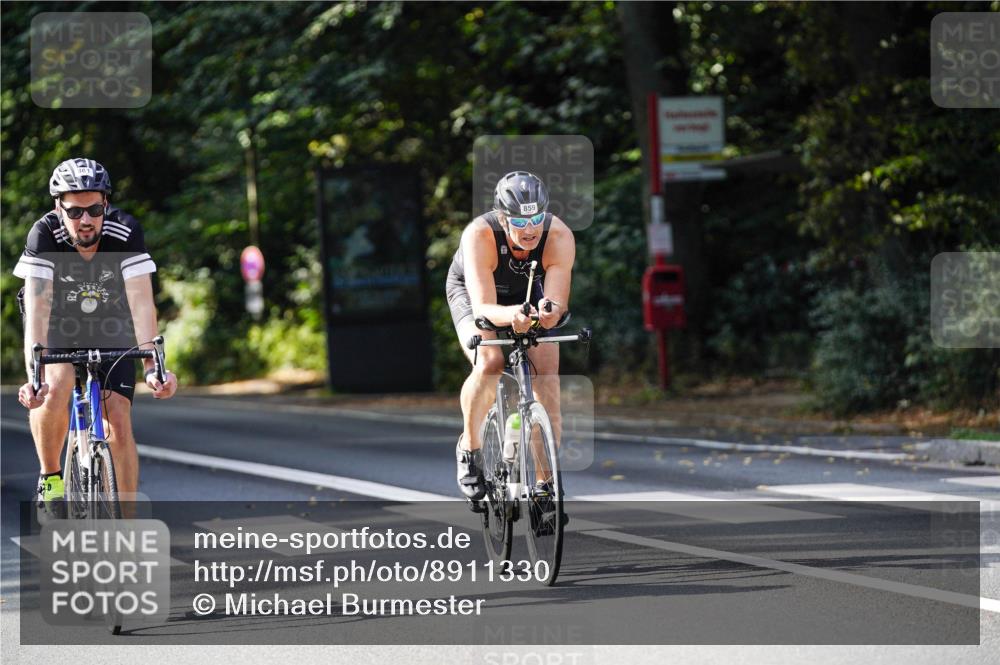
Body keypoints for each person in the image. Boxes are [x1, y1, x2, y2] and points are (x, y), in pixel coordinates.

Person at [14, 158, 178, 516]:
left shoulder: (125, 231)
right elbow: (38, 310)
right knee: (55, 387)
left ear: (105, 203)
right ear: (59, 208)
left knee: (117, 416)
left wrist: (154, 365)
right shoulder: (44, 234)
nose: (85, 220)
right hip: (58, 319)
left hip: (111, 318)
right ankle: (51, 477)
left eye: (94, 209)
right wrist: (34, 377)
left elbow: (140, 302)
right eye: (75, 212)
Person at [445, 171, 575, 502]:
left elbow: (558, 303)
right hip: (475, 294)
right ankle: (470, 448)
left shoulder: (558, 235)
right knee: (489, 361)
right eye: (519, 221)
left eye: (536, 218)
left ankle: (546, 490)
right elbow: (485, 308)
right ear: (503, 218)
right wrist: (513, 316)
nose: (530, 229)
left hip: (529, 295)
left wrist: (549, 312)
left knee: (547, 380)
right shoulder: (480, 235)